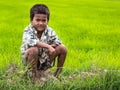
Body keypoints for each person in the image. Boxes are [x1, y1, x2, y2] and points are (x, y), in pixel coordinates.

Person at [20, 4, 67, 81]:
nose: (41, 23)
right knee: (33, 50)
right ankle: (34, 76)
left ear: (47, 21)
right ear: (31, 20)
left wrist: (52, 46)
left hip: (44, 60)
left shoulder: (49, 31)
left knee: (63, 48)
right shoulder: (28, 30)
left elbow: (58, 41)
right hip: (30, 61)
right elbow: (31, 42)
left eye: (43, 20)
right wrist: (48, 46)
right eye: (37, 20)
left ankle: (57, 74)